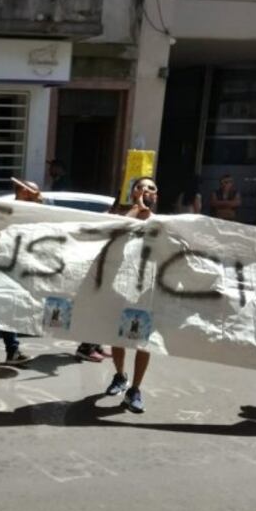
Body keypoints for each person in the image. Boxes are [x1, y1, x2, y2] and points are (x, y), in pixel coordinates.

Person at [104, 177, 159, 413]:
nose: (145, 190)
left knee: (142, 343)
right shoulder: (122, 216)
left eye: (151, 188)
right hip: (120, 287)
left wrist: (142, 207)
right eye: (140, 187)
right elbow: (117, 231)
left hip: (147, 291)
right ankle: (120, 375)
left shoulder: (163, 222)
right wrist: (135, 206)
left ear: (157, 196)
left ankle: (135, 389)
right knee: (118, 337)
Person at [0, 177, 43, 373]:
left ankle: (12, 352)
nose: (37, 195)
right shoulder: (10, 209)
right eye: (34, 192)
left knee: (10, 312)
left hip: (17, 269)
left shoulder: (30, 210)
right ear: (24, 192)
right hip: (2, 269)